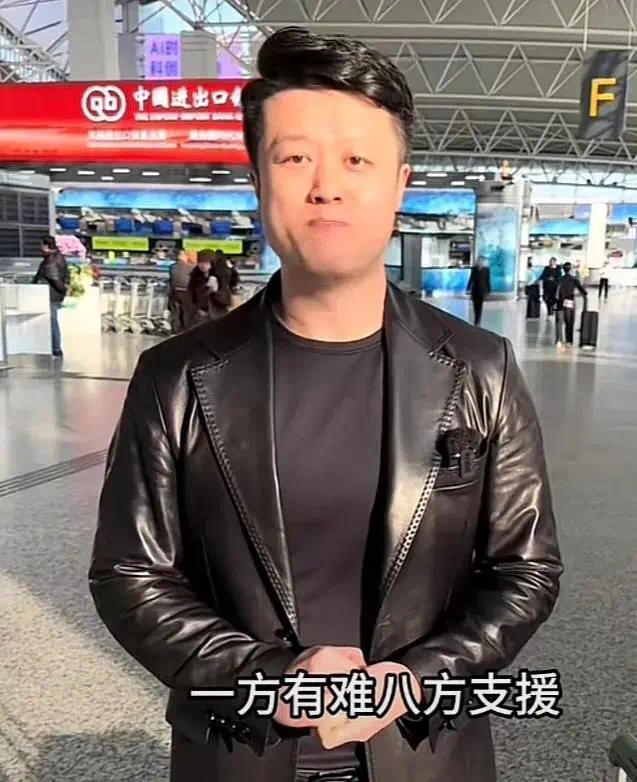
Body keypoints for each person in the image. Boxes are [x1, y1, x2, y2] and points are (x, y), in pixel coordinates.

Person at [89, 27, 562, 782]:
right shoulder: (175, 377)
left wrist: (418, 678)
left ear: (399, 183)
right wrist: (274, 676)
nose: (326, 186)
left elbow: (524, 568)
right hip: (239, 751)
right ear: (257, 178)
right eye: (295, 158)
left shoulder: (479, 368)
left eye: (356, 161)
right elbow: (129, 574)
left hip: (424, 752)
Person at [33, 236, 69, 359]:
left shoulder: (50, 261)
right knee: (51, 322)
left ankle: (56, 349)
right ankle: (53, 348)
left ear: (46, 246)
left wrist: (63, 290)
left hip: (50, 296)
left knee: (52, 322)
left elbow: (55, 279)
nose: (40, 248)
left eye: (42, 245)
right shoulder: (58, 257)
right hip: (54, 295)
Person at [555, 261, 587, 349]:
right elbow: (582, 291)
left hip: (560, 303)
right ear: (571, 269)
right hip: (570, 302)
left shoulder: (560, 279)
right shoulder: (574, 279)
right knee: (569, 322)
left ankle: (559, 340)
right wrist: (583, 294)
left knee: (559, 322)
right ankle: (569, 341)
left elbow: (556, 290)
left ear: (563, 269)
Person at [186, 250, 219, 327]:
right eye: (200, 262)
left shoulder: (219, 276)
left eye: (206, 263)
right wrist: (196, 309)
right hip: (200, 315)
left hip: (216, 315)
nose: (203, 265)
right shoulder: (195, 278)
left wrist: (216, 291)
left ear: (211, 264)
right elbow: (190, 296)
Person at [168, 249, 194, 333]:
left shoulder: (172, 267)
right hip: (186, 292)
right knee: (185, 312)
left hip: (174, 292)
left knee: (175, 312)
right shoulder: (191, 267)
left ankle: (175, 329)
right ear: (183, 256)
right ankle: (184, 330)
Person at [466, 255, 491, 326]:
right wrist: (468, 288)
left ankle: (477, 320)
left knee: (480, 306)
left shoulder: (486, 270)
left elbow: (487, 280)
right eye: (479, 260)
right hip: (475, 290)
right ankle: (476, 319)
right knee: (475, 305)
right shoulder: (474, 269)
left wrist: (488, 290)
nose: (480, 262)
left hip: (482, 290)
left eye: (482, 261)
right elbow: (471, 279)